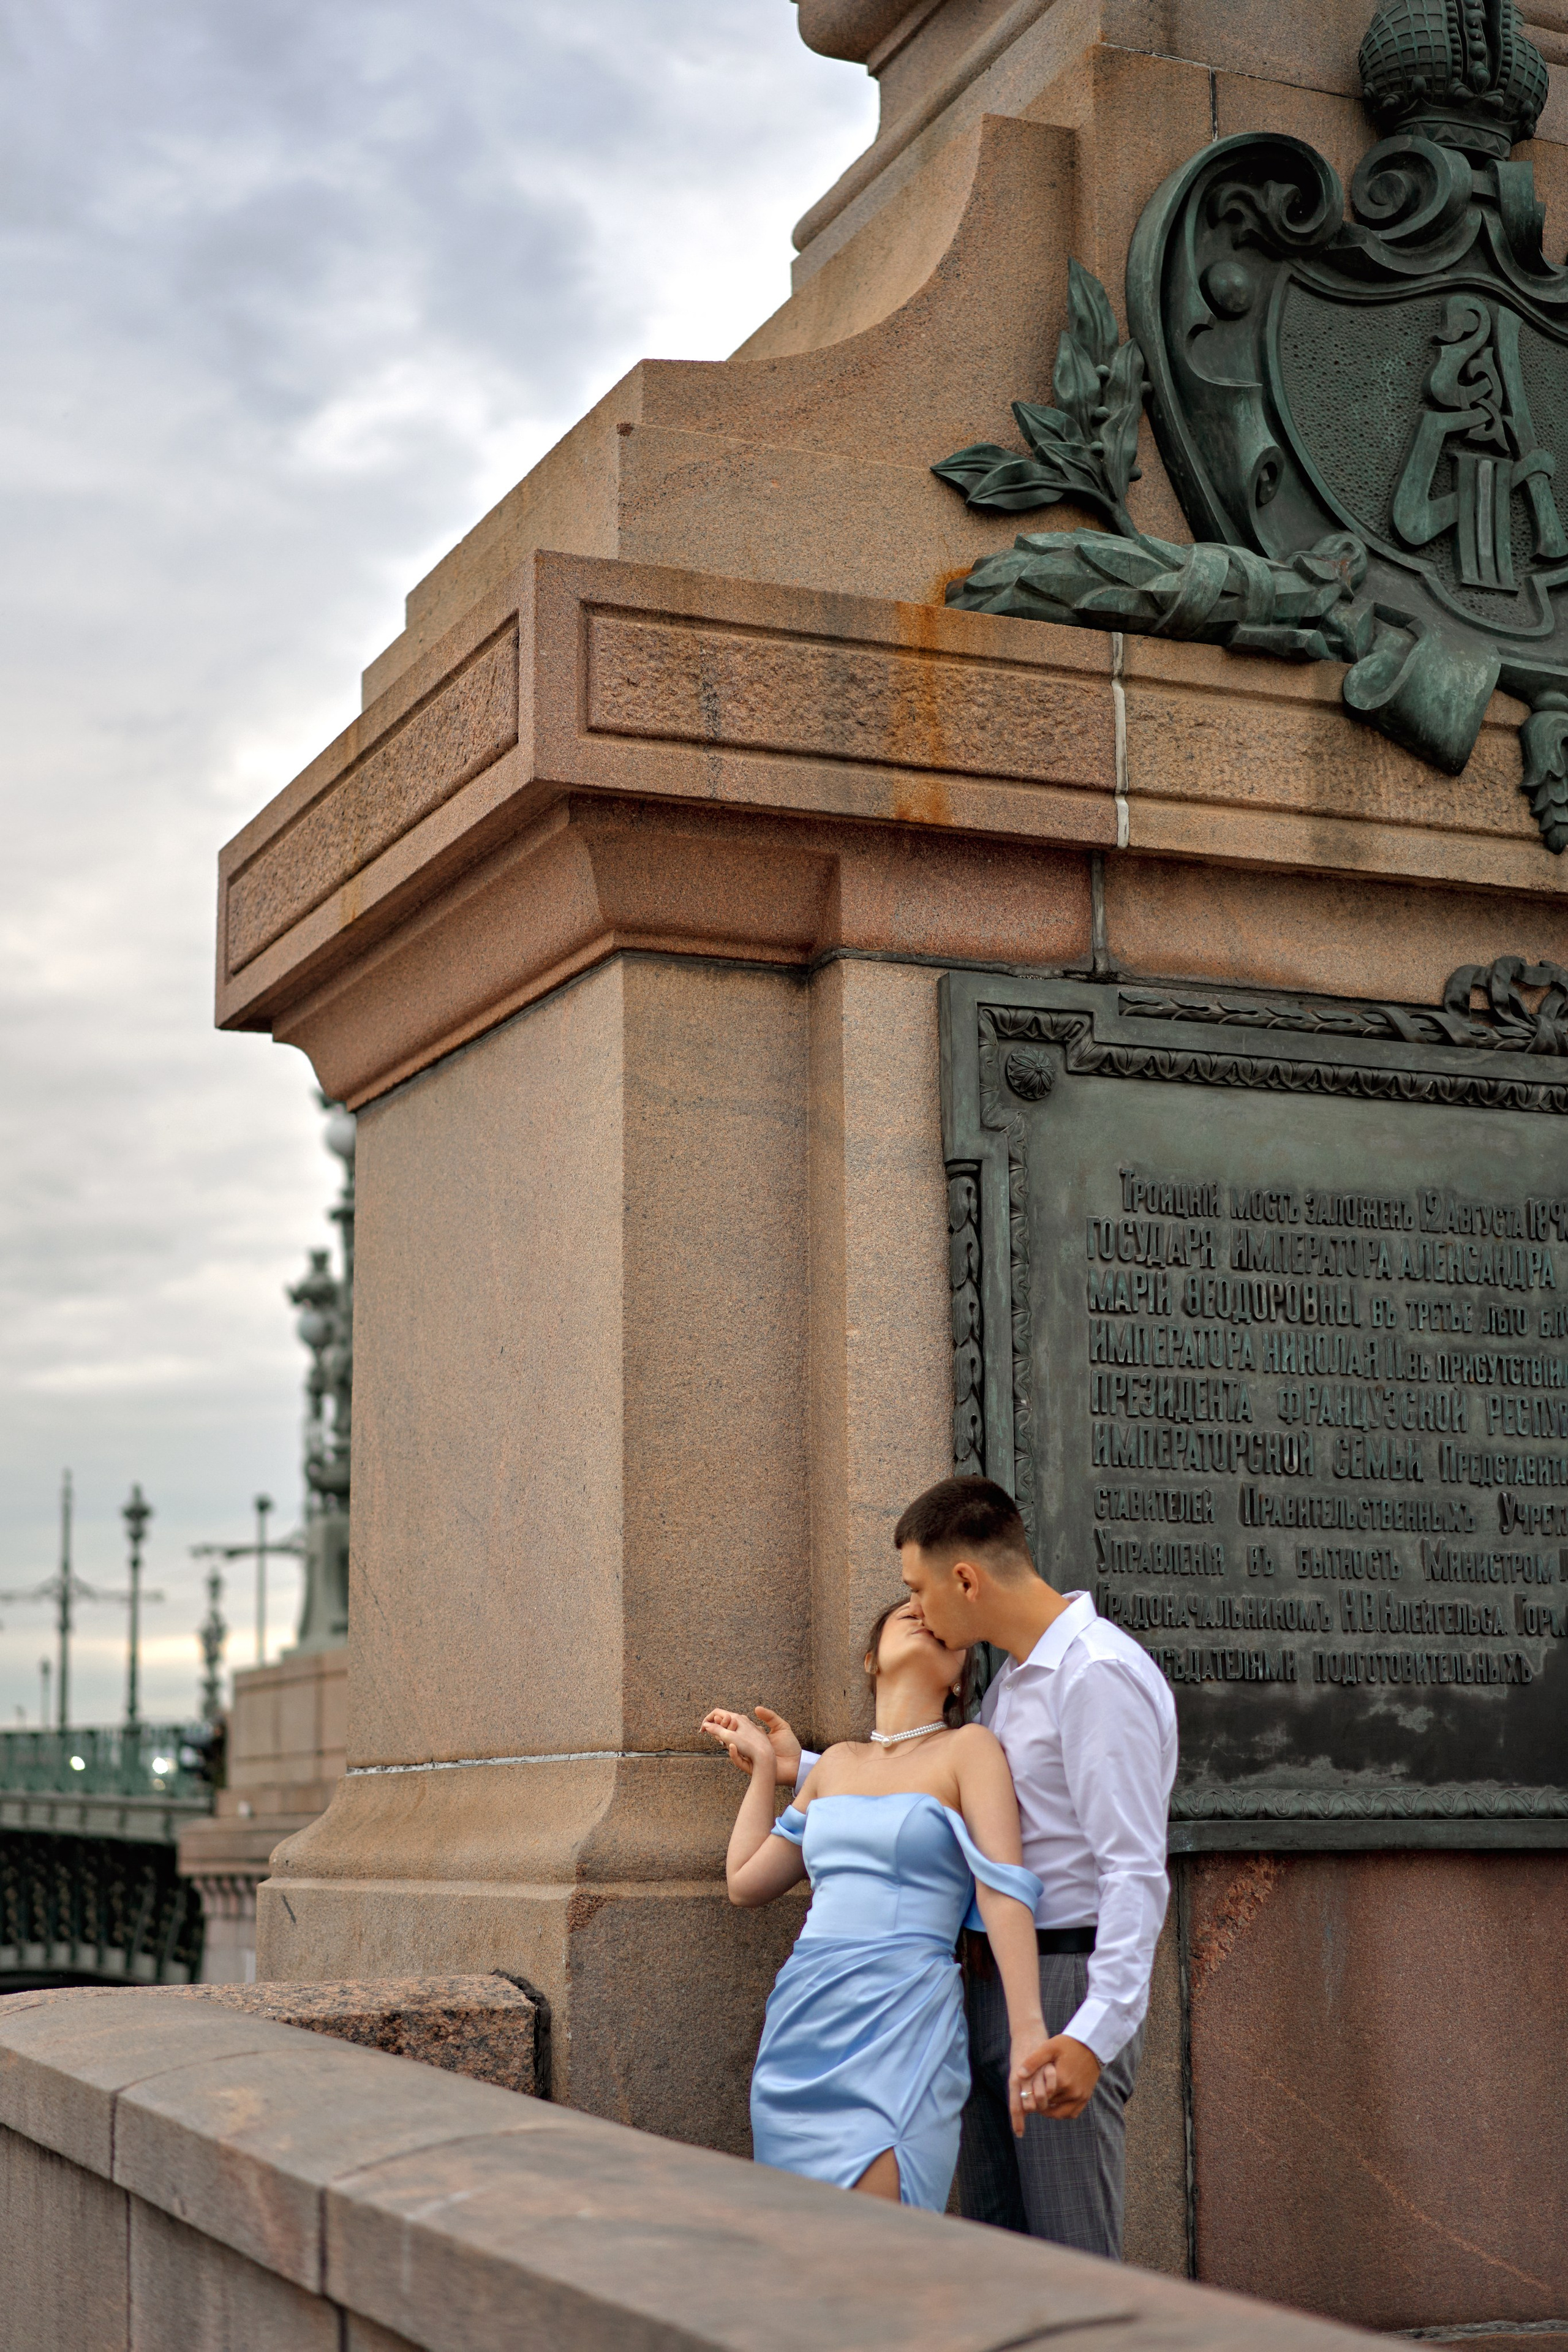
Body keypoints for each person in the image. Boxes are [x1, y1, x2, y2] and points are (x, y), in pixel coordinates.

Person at [748, 1475, 1177, 2260]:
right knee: (999, 2264)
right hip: (977, 1988)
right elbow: (945, 1808)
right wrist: (805, 1769)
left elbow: (1133, 1871)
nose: (917, 1609)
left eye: (918, 1589)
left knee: (1070, 2270)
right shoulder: (1016, 1683)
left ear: (966, 1580)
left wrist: (1091, 2033)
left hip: (1062, 1986)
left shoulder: (1094, 1676)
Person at [700, 1596, 1050, 2213]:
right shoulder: (834, 1764)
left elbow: (1002, 1891)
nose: (921, 1612)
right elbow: (745, 1883)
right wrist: (762, 1772)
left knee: (883, 2242)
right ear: (869, 1658)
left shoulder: (969, 1750)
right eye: (903, 1612)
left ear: (958, 1674)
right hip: (804, 2022)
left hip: (904, 2019)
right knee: (802, 2243)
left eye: (938, 1620)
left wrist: (1029, 2030)